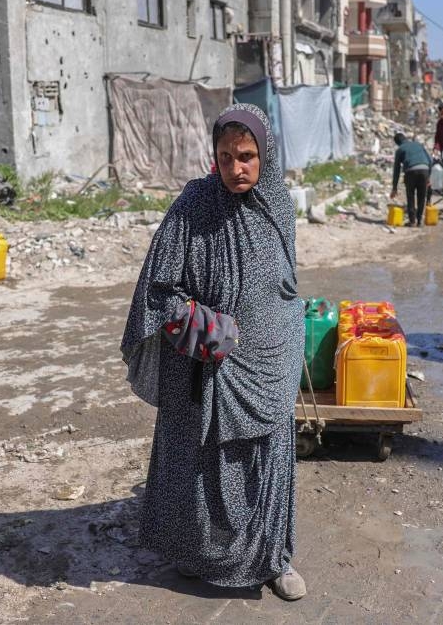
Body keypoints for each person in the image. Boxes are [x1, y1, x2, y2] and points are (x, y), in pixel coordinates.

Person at [121, 104, 307, 600]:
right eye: (225, 156)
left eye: (246, 156)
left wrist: (284, 339)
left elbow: (287, 284)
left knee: (265, 459)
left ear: (264, 155)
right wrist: (207, 328)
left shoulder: (279, 205)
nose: (236, 167)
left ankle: (274, 560)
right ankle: (193, 551)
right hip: (206, 361)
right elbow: (155, 292)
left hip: (269, 359)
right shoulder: (192, 206)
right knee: (200, 464)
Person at [390, 132, 432, 227]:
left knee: (411, 195)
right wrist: (429, 176)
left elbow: (396, 169)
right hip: (424, 170)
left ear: (397, 143)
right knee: (422, 196)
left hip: (410, 172)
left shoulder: (400, 150)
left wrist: (394, 188)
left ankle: (412, 221)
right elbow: (430, 160)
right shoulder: (418, 145)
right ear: (405, 138)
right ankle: (420, 221)